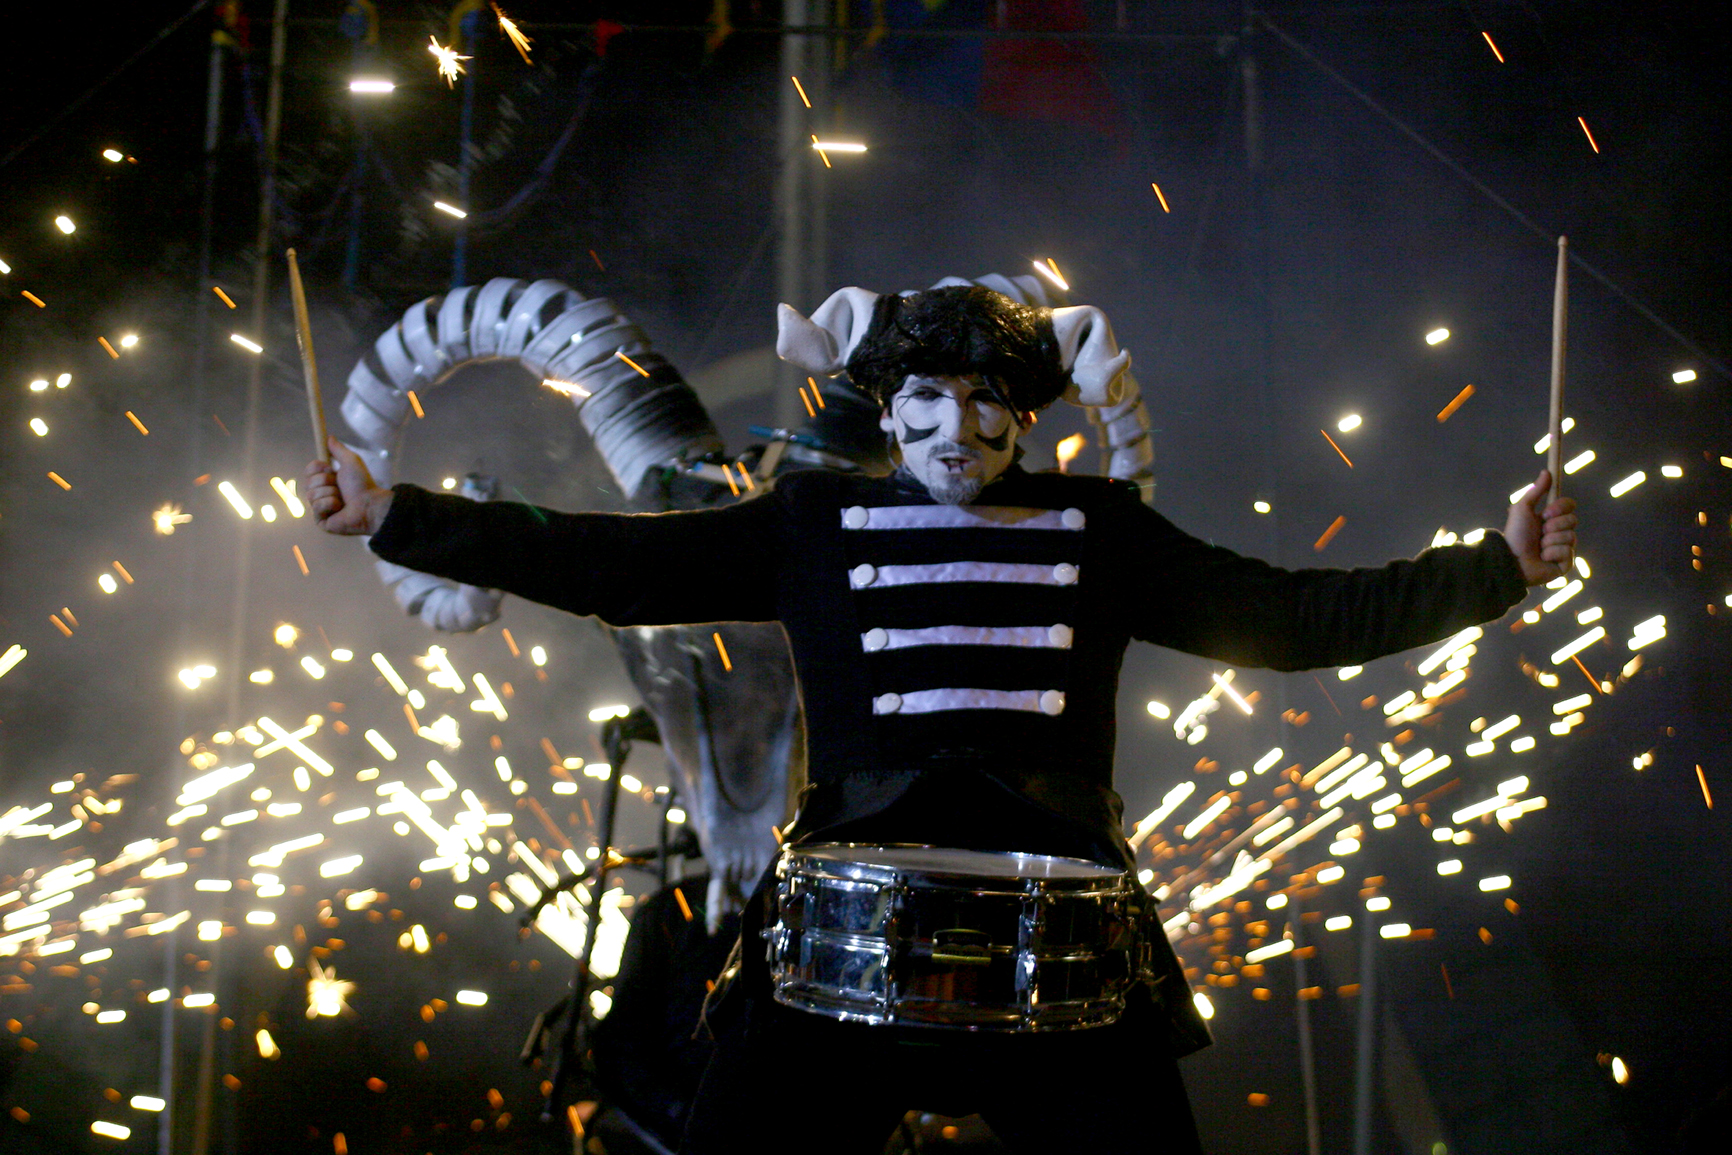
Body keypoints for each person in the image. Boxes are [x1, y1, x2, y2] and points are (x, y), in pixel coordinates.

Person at [304, 285, 1578, 1153]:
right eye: (928, 397)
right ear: (885, 403)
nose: (956, 429)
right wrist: (399, 517)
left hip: (1065, 965)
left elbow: (1296, 619)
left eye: (988, 403)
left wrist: (1495, 570)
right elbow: (620, 568)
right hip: (835, 959)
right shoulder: (812, 525)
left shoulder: (1098, 532)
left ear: (1027, 415)